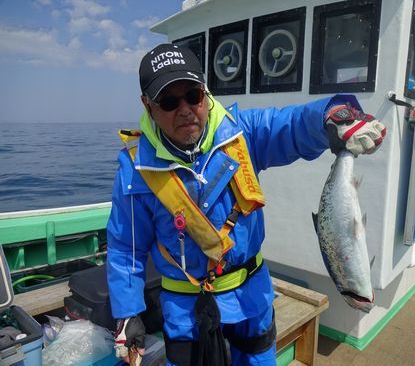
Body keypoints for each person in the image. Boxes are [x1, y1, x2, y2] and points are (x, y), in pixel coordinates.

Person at [107, 43, 386, 366]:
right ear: (148, 105)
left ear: (205, 91)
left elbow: (292, 124)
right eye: (169, 101)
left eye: (193, 96)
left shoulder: (242, 132)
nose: (184, 109)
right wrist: (128, 313)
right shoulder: (135, 168)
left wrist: (333, 114)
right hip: (184, 310)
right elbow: (125, 248)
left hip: (250, 298)